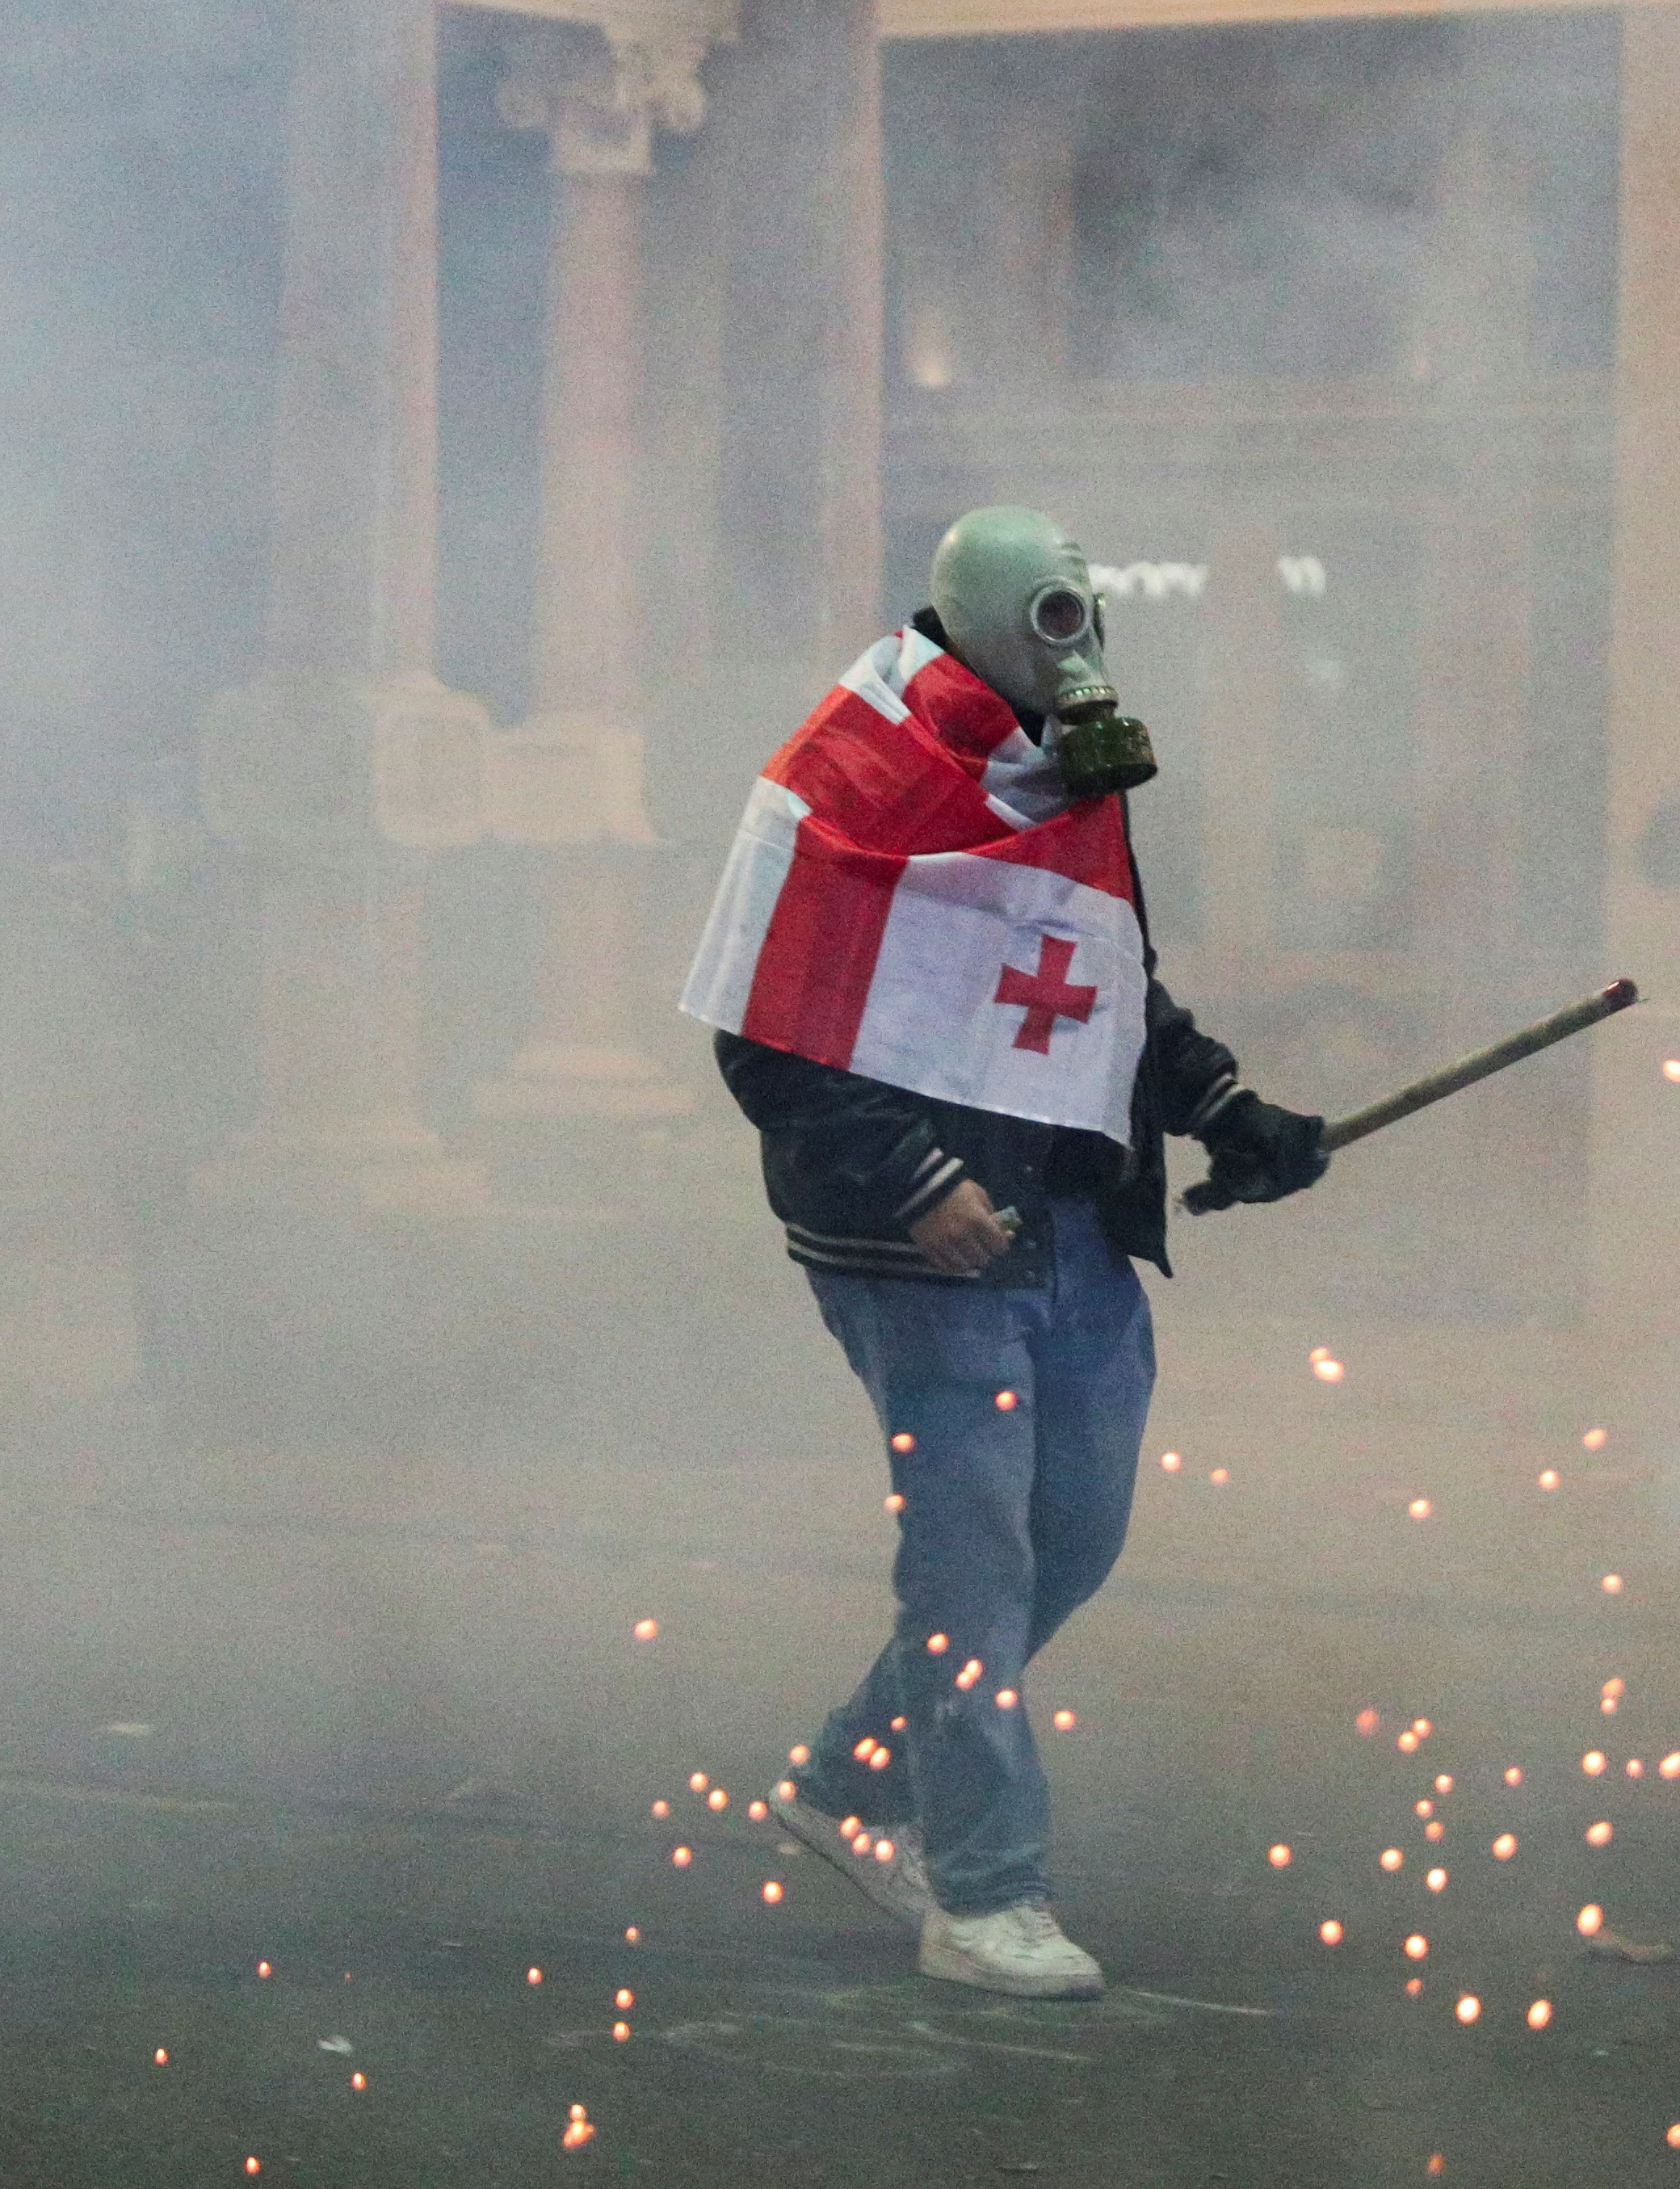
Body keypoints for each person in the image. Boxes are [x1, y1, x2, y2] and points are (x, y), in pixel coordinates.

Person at [681, 505, 1329, 1997]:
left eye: (1087, 617)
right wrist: (912, 1181)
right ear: (970, 620)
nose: (1081, 655)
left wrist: (1225, 1107)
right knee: (971, 1563)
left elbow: (1102, 982)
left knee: (1074, 1533)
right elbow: (767, 1029)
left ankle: (852, 1780)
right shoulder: (842, 782)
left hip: (1075, 1223)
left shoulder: (1060, 781)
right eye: (1051, 621)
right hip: (922, 1258)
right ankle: (983, 1892)